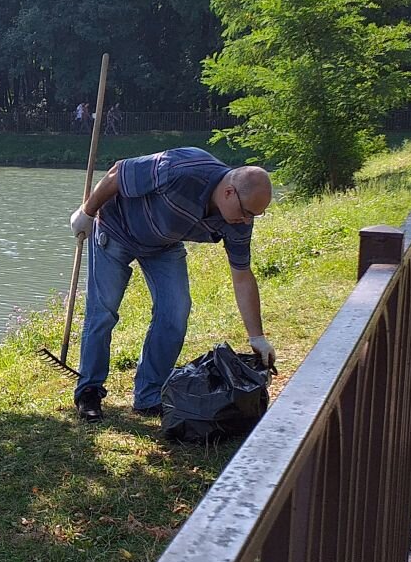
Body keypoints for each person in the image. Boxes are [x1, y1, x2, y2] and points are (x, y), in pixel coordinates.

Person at [67, 148, 275, 420]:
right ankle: (89, 391)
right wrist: (87, 211)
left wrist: (256, 336)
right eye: (247, 213)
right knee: (103, 311)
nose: (247, 221)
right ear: (228, 192)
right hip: (116, 229)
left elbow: (242, 274)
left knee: (175, 312)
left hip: (163, 243)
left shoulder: (238, 220)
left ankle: (149, 396)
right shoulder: (180, 169)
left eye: (254, 217)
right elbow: (119, 172)